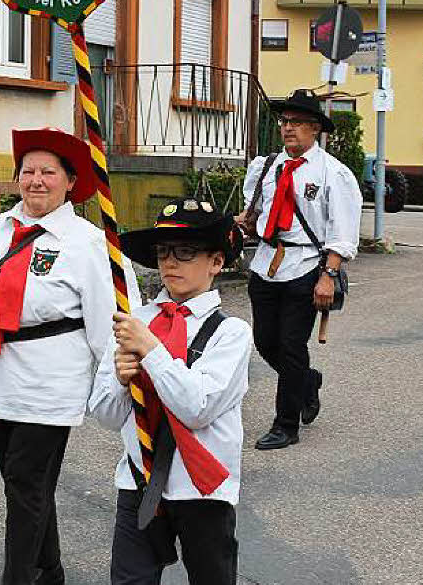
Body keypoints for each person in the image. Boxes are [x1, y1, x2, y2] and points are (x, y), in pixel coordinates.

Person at [0, 127, 138, 585]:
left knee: (25, 486)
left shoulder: (88, 243)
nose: (36, 180)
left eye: (48, 172)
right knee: (24, 486)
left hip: (51, 382)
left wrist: (123, 382)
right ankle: (50, 570)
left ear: (70, 182)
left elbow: (109, 323)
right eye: (28, 171)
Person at [90, 199, 252, 585]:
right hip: (139, 481)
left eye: (185, 252)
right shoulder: (135, 321)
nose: (170, 263)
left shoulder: (231, 334)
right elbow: (106, 415)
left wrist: (151, 351)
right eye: (163, 253)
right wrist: (120, 379)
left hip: (202, 488)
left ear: (216, 261)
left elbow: (197, 407)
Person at [237, 89, 362, 451]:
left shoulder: (332, 173)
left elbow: (342, 231)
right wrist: (244, 223)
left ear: (314, 129)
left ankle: (286, 423)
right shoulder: (267, 166)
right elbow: (255, 211)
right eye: (285, 122)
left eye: (296, 123)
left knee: (291, 346)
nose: (288, 129)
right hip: (266, 263)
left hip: (307, 264)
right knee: (264, 342)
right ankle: (306, 382)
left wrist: (329, 275)